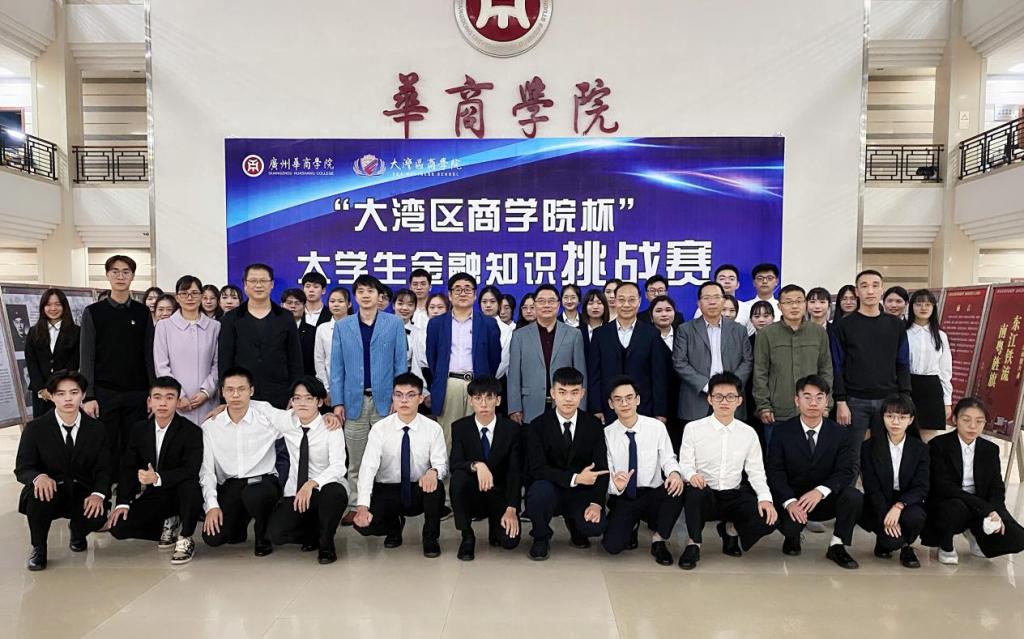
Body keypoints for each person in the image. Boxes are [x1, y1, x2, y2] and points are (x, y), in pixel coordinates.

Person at [677, 372, 776, 570]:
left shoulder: (748, 433)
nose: (724, 402)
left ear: (739, 400)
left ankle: (730, 530)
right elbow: (685, 463)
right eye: (718, 396)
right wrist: (692, 475)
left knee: (768, 518)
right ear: (709, 399)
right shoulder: (693, 428)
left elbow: (756, 471)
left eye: (730, 397)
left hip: (733, 494)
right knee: (694, 493)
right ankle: (694, 543)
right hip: (705, 492)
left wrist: (765, 498)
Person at [330, 274, 407, 526]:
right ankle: (355, 505)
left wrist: (399, 397)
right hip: (354, 402)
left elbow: (400, 364)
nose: (365, 295)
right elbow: (337, 369)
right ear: (354, 297)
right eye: (360, 291)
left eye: (370, 291)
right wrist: (337, 402)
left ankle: (385, 506)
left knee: (386, 458)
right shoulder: (343, 326)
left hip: (386, 401)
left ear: (379, 296)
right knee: (356, 459)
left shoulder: (393, 324)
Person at [15, 370, 111, 571]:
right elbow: (23, 467)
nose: (68, 398)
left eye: (74, 393)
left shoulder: (97, 429)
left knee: (98, 514)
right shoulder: (35, 429)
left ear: (83, 395)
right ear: (51, 396)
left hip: (82, 490)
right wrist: (38, 477)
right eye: (60, 393)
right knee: (37, 496)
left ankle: (78, 532)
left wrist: (98, 494)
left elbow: (104, 468)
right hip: (50, 490)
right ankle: (39, 548)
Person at [766, 375, 863, 569]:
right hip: (795, 499)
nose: (813, 403)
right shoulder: (782, 432)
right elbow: (774, 471)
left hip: (826, 499)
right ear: (797, 400)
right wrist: (789, 501)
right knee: (789, 524)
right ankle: (792, 536)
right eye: (807, 397)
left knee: (853, 496)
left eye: (819, 397)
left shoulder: (841, 434)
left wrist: (820, 491)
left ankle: (837, 545)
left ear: (827, 401)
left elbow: (847, 471)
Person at [107, 377, 204, 565]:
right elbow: (128, 467)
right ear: (149, 401)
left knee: (191, 486)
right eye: (157, 397)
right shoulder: (139, 429)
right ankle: (170, 521)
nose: (163, 403)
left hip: (183, 491)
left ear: (178, 402)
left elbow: (191, 470)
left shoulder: (191, 431)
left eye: (169, 397)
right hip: (157, 494)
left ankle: (185, 536)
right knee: (119, 528)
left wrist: (158, 477)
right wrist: (123, 502)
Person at [254, 376, 348, 564]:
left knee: (334, 493)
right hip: (296, 491)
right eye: (297, 398)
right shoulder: (286, 421)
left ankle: (326, 544)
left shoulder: (331, 426)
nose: (302, 403)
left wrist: (311, 484)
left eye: (308, 398)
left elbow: (338, 466)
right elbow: (261, 407)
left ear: (319, 402)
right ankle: (313, 534)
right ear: (291, 401)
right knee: (276, 534)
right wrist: (224, 407)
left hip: (325, 487)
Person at [353, 373, 448, 558]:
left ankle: (430, 537)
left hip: (419, 488)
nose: (404, 400)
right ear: (393, 397)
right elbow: (368, 468)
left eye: (411, 395)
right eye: (398, 395)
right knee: (363, 525)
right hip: (388, 489)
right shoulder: (380, 429)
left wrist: (433, 471)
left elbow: (441, 462)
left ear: (421, 398)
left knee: (436, 487)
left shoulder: (433, 428)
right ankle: (393, 527)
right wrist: (362, 506)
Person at [921, 397, 1024, 564]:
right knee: (955, 509)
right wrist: (986, 508)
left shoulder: (990, 449)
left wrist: (996, 510)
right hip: (949, 502)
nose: (972, 426)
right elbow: (944, 487)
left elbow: (996, 487)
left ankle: (976, 534)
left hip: (978, 505)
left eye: (979, 421)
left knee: (1017, 538)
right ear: (955, 420)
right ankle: (945, 544)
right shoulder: (939, 445)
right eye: (966, 420)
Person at [525, 367, 609, 560]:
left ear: (582, 393)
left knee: (595, 527)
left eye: (574, 392)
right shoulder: (537, 425)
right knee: (538, 493)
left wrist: (596, 503)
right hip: (550, 488)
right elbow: (537, 469)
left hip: (580, 492)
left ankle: (575, 525)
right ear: (553, 393)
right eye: (562, 392)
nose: (568, 399)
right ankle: (541, 536)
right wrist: (575, 478)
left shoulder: (593, 425)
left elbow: (601, 468)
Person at [199, 367, 283, 556]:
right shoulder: (210, 427)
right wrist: (212, 506)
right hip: (231, 485)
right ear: (222, 392)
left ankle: (263, 534)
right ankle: (239, 525)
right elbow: (206, 471)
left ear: (251, 391)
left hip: (263, 482)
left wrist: (327, 416)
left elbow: (297, 420)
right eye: (230, 390)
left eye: (241, 389)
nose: (235, 395)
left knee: (255, 495)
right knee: (214, 538)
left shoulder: (266, 418)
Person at [832, 270, 912, 467]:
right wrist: (840, 400)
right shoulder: (843, 326)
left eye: (875, 286)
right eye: (864, 286)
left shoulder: (896, 325)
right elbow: (837, 365)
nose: (870, 291)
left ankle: (881, 489)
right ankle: (851, 488)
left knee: (883, 455)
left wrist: (904, 396)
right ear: (857, 292)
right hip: (854, 401)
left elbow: (903, 362)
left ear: (882, 290)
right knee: (851, 456)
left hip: (888, 400)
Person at [601, 376, 684, 565]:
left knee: (677, 487)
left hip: (652, 493)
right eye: (618, 399)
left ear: (637, 399)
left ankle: (659, 539)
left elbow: (668, 458)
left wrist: (674, 473)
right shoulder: (606, 434)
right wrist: (616, 485)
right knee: (612, 547)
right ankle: (632, 526)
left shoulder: (656, 427)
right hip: (624, 496)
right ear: (611, 404)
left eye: (629, 398)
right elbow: (607, 472)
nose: (624, 404)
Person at [80, 255, 151, 468]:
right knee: (106, 443)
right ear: (107, 275)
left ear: (133, 276)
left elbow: (149, 354)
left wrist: (152, 392)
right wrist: (88, 396)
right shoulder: (93, 312)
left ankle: (130, 484)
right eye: (115, 271)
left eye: (126, 272)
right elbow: (87, 356)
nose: (120, 276)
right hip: (105, 393)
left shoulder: (143, 312)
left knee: (134, 443)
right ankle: (106, 483)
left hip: (137, 393)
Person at [449, 375, 521, 560]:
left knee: (509, 542)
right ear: (471, 401)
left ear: (498, 400)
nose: (483, 403)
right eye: (478, 398)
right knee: (458, 479)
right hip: (473, 493)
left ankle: (496, 527)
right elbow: (455, 463)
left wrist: (512, 508)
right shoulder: (460, 428)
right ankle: (467, 535)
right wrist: (477, 465)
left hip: (500, 495)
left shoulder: (512, 429)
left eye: (489, 397)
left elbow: (515, 472)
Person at [425, 273, 501, 448]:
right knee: (448, 436)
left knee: (477, 435)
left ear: (475, 295)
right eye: (457, 289)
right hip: (449, 384)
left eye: (467, 289)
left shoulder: (488, 324)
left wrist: (483, 381)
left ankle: (475, 467)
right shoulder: (436, 324)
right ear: (450, 295)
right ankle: (447, 468)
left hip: (478, 386)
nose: (463, 293)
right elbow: (432, 358)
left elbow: (494, 358)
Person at [752, 285, 833, 448]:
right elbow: (760, 372)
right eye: (788, 302)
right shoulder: (766, 334)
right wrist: (763, 406)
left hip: (812, 409)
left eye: (799, 301)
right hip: (778, 411)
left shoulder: (818, 332)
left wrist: (826, 404)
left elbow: (826, 370)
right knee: (777, 458)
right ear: (779, 306)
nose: (794, 306)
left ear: (805, 304)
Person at [218, 263, 303, 410]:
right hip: (241, 395)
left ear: (272, 284)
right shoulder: (231, 318)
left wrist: (296, 394)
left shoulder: (286, 317)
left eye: (263, 281)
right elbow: (225, 360)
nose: (258, 285)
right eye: (253, 281)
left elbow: (295, 359)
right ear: (245, 285)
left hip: (280, 395)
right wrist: (225, 396)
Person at [858, 394, 928, 568]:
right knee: (890, 542)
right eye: (890, 416)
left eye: (902, 417)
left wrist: (899, 506)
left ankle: (907, 546)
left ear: (910, 420)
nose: (895, 422)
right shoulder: (869, 447)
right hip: (879, 501)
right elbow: (871, 487)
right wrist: (886, 515)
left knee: (915, 517)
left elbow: (921, 487)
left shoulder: (920, 449)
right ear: (882, 417)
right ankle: (887, 540)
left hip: (907, 502)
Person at [673, 281, 752, 424]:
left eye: (716, 297)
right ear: (699, 303)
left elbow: (747, 361)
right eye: (707, 298)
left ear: (723, 300)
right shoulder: (685, 330)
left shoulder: (739, 330)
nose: (712, 302)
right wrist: (706, 385)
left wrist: (731, 386)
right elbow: (680, 362)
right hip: (696, 399)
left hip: (731, 398)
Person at [589, 281, 667, 424]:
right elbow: (594, 375)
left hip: (643, 407)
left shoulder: (651, 334)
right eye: (621, 300)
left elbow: (658, 376)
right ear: (614, 301)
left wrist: (660, 411)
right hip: (609, 409)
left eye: (631, 300)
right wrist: (596, 408)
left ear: (639, 301)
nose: (626, 305)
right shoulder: (600, 334)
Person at [508, 284, 587, 425]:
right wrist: (514, 407)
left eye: (551, 301)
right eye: (541, 301)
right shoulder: (519, 335)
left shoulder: (574, 334)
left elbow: (581, 373)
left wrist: (580, 406)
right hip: (530, 406)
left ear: (558, 305)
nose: (546, 305)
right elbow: (514, 374)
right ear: (535, 305)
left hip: (565, 405)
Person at [153, 275, 220, 426]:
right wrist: (178, 394)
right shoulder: (164, 327)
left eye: (195, 293)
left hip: (207, 402)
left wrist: (206, 392)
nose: (190, 298)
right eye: (184, 293)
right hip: (176, 402)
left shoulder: (214, 327)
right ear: (177, 298)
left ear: (201, 296)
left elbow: (217, 364)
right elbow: (161, 366)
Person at [25, 288, 80, 418]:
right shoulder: (34, 331)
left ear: (64, 306)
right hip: (41, 395)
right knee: (41, 426)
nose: (53, 308)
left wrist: (58, 388)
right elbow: (31, 362)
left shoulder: (76, 332)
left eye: (57, 304)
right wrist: (41, 389)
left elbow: (74, 362)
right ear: (43, 307)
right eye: (48, 304)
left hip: (65, 393)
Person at [906, 289, 952, 439]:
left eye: (928, 304)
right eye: (919, 304)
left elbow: (945, 370)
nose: (923, 308)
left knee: (929, 437)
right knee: (904, 434)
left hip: (932, 388)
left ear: (934, 307)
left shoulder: (941, 336)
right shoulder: (904, 333)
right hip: (908, 386)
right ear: (911, 307)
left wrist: (947, 401)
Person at [649, 295, 684, 451]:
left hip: (682, 399)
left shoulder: (684, 335)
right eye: (659, 311)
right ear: (651, 316)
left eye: (668, 310)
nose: (664, 314)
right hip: (656, 401)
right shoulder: (646, 337)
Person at [313, 286, 352, 403]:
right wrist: (326, 389)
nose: (336, 304)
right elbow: (319, 361)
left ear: (349, 304)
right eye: (332, 301)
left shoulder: (358, 326)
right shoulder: (322, 329)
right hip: (331, 386)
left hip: (356, 387)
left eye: (340, 301)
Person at [281, 288, 317, 376]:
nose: (293, 306)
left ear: (304, 307)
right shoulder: (273, 329)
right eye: (289, 303)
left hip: (305, 378)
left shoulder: (313, 331)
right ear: (281, 305)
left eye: (297, 303)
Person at [737, 263, 780, 334]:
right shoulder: (744, 307)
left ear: (776, 282)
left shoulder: (781, 307)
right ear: (754, 282)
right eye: (760, 278)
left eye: (769, 278)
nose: (765, 281)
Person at [580, 288, 609, 363]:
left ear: (605, 306)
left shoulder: (611, 330)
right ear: (585, 307)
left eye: (599, 303)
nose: (595, 307)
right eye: (591, 303)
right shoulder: (577, 331)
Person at [393, 287, 419, 370]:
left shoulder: (418, 333)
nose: (405, 308)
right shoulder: (382, 329)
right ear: (393, 306)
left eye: (410, 305)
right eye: (400, 304)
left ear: (415, 308)